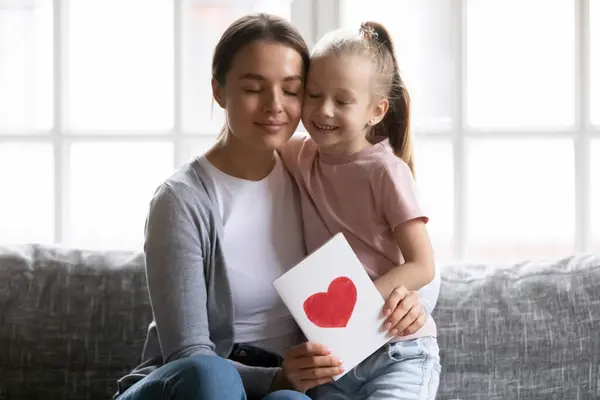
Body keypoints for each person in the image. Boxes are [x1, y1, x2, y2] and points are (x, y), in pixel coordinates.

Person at [114, 14, 430, 400]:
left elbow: (403, 253)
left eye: (293, 90)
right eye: (253, 89)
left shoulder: (309, 170)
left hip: (289, 384)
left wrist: (409, 301)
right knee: (214, 378)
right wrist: (278, 378)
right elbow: (188, 355)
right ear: (218, 91)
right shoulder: (182, 201)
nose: (274, 106)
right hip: (193, 385)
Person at [279, 21, 441, 399]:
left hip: (397, 351)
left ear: (376, 111)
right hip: (335, 362)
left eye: (342, 100)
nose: (324, 110)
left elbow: (423, 265)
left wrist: (357, 302)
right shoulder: (300, 156)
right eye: (313, 94)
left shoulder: (387, 172)